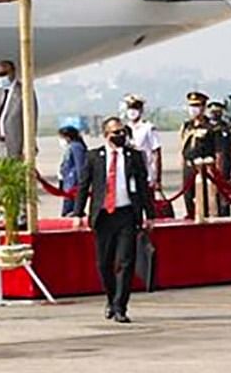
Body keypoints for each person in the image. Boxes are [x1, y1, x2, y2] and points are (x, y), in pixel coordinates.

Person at [72, 117, 155, 324]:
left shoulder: (134, 156)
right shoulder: (94, 157)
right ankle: (111, 299)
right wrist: (78, 213)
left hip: (126, 214)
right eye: (114, 133)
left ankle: (120, 306)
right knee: (104, 264)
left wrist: (149, 215)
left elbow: (144, 188)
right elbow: (84, 186)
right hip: (103, 216)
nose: (119, 136)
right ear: (105, 135)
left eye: (122, 132)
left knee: (126, 262)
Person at [179, 91, 218, 218]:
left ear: (203, 107)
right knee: (188, 195)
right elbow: (183, 147)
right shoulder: (186, 125)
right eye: (191, 106)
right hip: (189, 165)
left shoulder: (210, 127)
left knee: (204, 196)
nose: (194, 109)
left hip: (204, 166)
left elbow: (216, 150)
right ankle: (190, 216)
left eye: (197, 106)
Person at [0, 59, 37, 160]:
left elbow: (32, 120)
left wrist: (28, 145)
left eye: (3, 74)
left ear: (13, 73)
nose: (0, 77)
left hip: (16, 145)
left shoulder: (24, 91)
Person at [123, 94, 162, 193]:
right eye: (130, 108)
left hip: (146, 172)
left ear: (141, 110)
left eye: (135, 108)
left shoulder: (148, 128)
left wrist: (157, 178)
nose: (132, 111)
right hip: (129, 173)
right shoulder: (124, 129)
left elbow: (156, 152)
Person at [208, 100, 231, 218]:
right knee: (210, 195)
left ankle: (224, 215)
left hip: (225, 166)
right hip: (209, 166)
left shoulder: (228, 128)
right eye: (213, 111)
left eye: (218, 111)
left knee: (224, 197)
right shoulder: (206, 128)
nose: (215, 114)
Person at [57, 126, 88, 216]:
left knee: (69, 211)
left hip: (73, 185)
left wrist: (81, 182)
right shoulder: (71, 147)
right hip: (68, 184)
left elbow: (80, 166)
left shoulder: (76, 147)